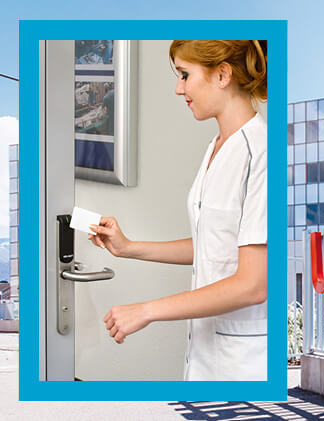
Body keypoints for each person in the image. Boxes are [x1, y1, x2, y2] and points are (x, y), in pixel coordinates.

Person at [88, 40, 268, 381]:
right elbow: (215, 245)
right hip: (203, 356)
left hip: (246, 366)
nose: (178, 88)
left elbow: (253, 284)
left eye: (184, 75)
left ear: (223, 75)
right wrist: (129, 248)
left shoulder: (261, 152)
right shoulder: (216, 146)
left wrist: (147, 310)